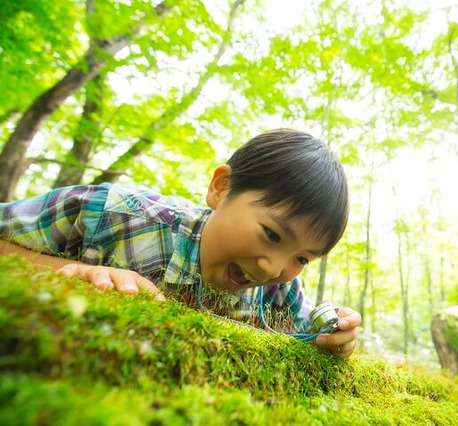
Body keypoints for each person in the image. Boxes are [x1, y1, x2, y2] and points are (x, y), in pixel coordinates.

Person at [0, 129, 360, 358]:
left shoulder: (280, 292)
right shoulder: (112, 215)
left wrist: (337, 337)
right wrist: (68, 271)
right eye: (271, 234)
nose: (273, 268)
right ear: (221, 188)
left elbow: (309, 333)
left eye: (301, 257)